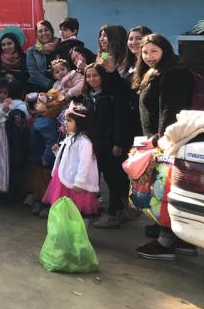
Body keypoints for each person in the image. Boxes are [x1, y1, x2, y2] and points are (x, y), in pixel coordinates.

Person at [132, 33, 196, 260]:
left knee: (163, 191)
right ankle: (180, 240)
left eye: (154, 51)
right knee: (166, 190)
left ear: (165, 51)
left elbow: (170, 110)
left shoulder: (173, 73)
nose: (149, 56)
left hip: (168, 144)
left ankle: (166, 242)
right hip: (165, 142)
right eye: (145, 52)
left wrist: (160, 141)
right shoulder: (160, 71)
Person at [82, 64, 132, 229]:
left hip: (111, 144)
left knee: (113, 178)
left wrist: (118, 143)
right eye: (88, 76)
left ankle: (114, 212)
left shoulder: (113, 95)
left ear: (103, 76)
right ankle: (112, 209)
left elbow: (120, 120)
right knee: (98, 176)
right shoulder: (88, 96)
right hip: (95, 143)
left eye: (95, 75)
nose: (92, 79)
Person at [42, 103, 99, 219]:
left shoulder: (84, 142)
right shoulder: (71, 138)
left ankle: (79, 235)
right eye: (65, 120)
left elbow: (84, 164)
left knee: (79, 210)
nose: (65, 123)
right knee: (65, 211)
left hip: (76, 183)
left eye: (69, 120)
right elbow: (69, 158)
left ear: (80, 123)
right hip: (65, 178)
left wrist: (79, 182)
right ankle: (66, 231)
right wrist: (57, 153)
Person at [27, 20, 59, 92]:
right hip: (38, 87)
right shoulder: (32, 51)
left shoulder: (61, 46)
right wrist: (52, 85)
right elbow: (34, 73)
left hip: (61, 86)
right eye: (40, 31)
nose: (44, 33)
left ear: (52, 31)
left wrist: (60, 85)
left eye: (46, 30)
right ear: (37, 34)